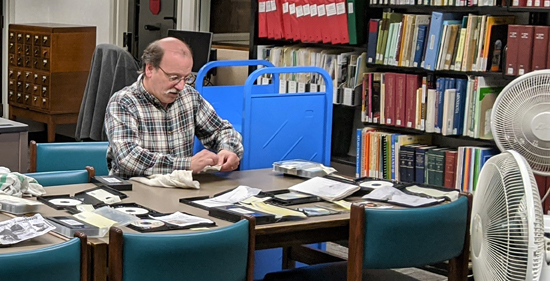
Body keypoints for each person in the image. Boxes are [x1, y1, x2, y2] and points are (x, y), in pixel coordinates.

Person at [104, 37, 243, 178]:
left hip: (179, 189)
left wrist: (227, 150)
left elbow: (221, 130)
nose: (180, 86)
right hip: (135, 191)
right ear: (150, 69)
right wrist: (187, 165)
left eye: (186, 78)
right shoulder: (123, 102)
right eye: (173, 77)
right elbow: (128, 158)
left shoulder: (189, 96)